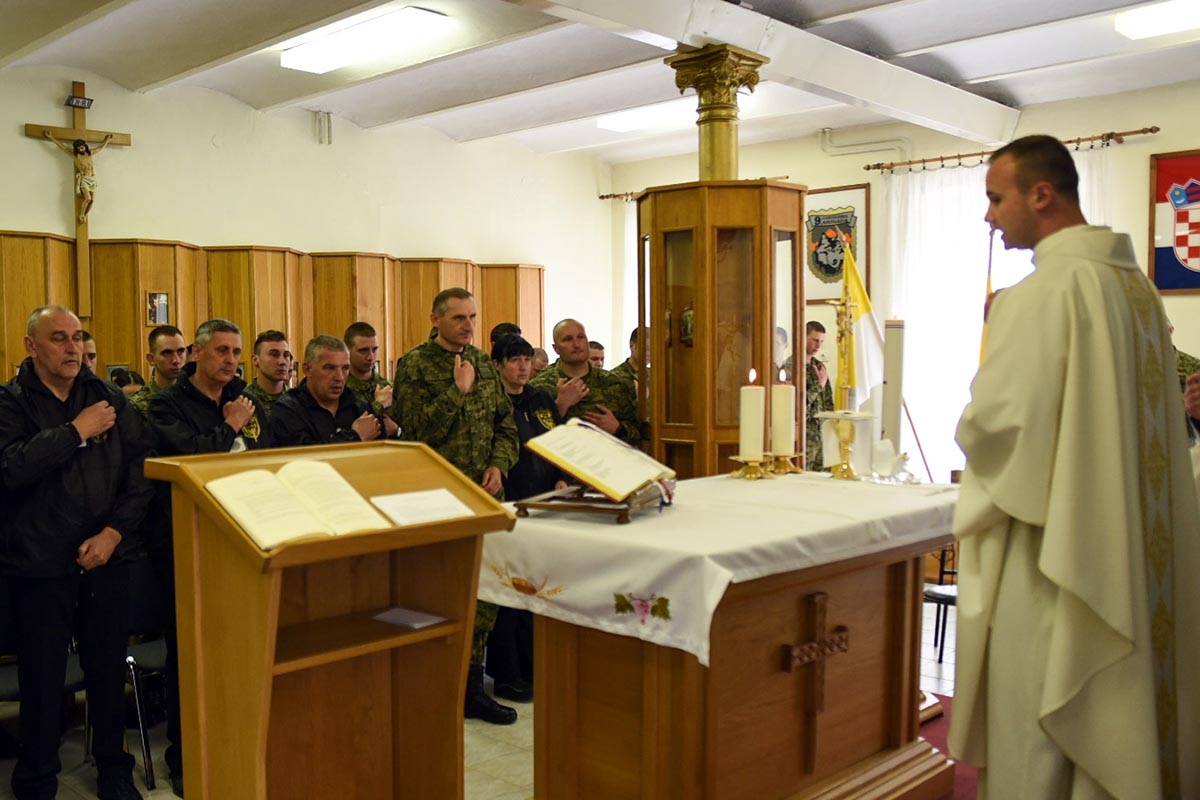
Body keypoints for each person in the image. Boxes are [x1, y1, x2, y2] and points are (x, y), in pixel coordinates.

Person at [950, 135, 1200, 799]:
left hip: (1053, 559)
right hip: (1128, 551)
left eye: (995, 198)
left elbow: (997, 428)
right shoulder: (1137, 291)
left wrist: (973, 407)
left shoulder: (1041, 295)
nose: (989, 217)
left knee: (1039, 719)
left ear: (1041, 194)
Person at [0, 305, 154, 800]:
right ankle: (36, 779)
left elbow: (142, 472)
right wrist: (75, 432)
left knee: (107, 672)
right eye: (59, 338)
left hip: (106, 557)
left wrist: (114, 533)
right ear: (31, 346)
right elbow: (10, 470)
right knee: (42, 679)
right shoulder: (10, 401)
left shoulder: (108, 397)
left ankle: (113, 769)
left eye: (77, 337)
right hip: (39, 562)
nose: (72, 348)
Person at [147, 319, 272, 795]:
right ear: (197, 353)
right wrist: (229, 426)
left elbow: (263, 454)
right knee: (191, 654)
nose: (231, 361)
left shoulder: (245, 398)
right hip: (188, 542)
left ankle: (236, 743)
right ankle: (185, 756)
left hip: (243, 536)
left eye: (237, 352)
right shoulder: (167, 404)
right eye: (222, 351)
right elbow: (191, 461)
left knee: (239, 650)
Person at [392, 287, 519, 725]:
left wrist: (499, 464)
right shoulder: (414, 365)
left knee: (482, 594)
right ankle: (436, 687)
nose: (468, 326)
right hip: (437, 499)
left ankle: (472, 689)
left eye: (473, 317)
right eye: (459, 318)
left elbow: (505, 425)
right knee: (439, 592)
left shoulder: (482, 361)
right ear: (436, 319)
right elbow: (416, 431)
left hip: (483, 497)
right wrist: (457, 391)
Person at [484, 334, 567, 704]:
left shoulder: (541, 399)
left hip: (543, 502)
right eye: (514, 359)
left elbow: (558, 444)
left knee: (538, 588)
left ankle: (534, 667)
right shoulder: (490, 401)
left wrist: (562, 477)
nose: (522, 366)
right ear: (498, 365)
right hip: (508, 504)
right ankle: (507, 674)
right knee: (509, 592)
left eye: (526, 359)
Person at [529, 319, 641, 444]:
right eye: (568, 339)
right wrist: (560, 407)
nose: (576, 344)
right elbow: (529, 437)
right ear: (556, 349)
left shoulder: (614, 382)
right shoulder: (539, 387)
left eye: (581, 337)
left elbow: (639, 433)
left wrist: (618, 428)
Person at [270, 336, 396, 446]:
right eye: (329, 368)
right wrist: (354, 437)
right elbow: (304, 458)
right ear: (308, 370)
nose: (339, 377)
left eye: (345, 368)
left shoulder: (361, 409)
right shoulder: (288, 410)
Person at [43, 131, 113, 222]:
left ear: (85, 146)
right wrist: (51, 137)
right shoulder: (75, 155)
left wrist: (107, 141)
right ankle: (81, 214)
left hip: (92, 179)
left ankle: (85, 215)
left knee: (92, 200)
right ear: (77, 149)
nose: (81, 149)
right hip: (84, 179)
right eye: (79, 148)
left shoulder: (90, 153)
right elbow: (63, 146)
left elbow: (100, 148)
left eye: (82, 147)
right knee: (88, 198)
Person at [342, 322, 395, 419]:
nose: (370, 357)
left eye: (374, 350)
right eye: (363, 351)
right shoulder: (339, 388)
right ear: (347, 351)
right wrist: (379, 404)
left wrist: (396, 428)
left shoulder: (388, 388)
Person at [803, 321, 833, 470]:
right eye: (814, 340)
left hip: (822, 435)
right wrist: (819, 385)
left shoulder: (819, 366)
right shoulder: (792, 367)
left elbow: (828, 402)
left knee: (823, 478)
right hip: (805, 436)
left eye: (821, 341)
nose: (818, 346)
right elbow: (799, 405)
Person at [244, 330, 292, 416]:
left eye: (286, 355)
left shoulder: (296, 401)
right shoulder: (244, 401)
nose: (282, 362)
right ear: (255, 360)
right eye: (274, 355)